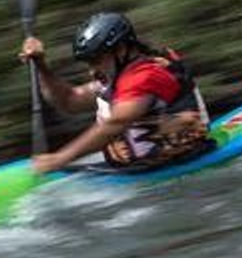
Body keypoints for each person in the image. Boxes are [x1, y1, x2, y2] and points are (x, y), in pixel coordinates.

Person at [20, 12, 214, 174]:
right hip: (136, 171)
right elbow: (69, 101)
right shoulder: (117, 77)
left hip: (178, 166)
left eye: (96, 60)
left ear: (121, 49)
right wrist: (41, 65)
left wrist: (59, 159)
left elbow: (116, 123)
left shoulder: (146, 76)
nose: (91, 70)